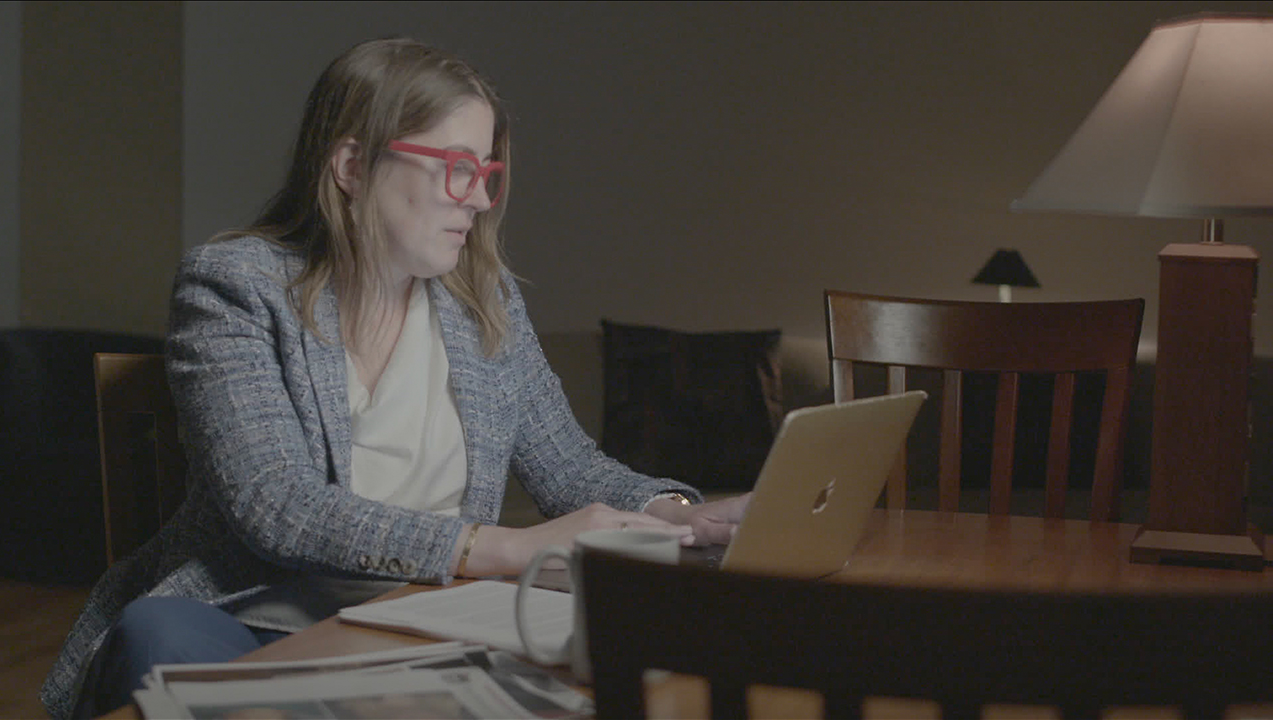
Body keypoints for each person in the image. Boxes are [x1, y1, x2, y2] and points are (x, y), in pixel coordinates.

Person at [41, 37, 749, 719]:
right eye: (458, 167)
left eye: (487, 173)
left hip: (428, 623)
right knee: (160, 633)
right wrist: (503, 547)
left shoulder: (485, 299)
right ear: (352, 166)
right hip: (255, 621)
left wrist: (678, 516)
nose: (480, 199)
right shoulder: (236, 285)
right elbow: (277, 505)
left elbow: (568, 466)